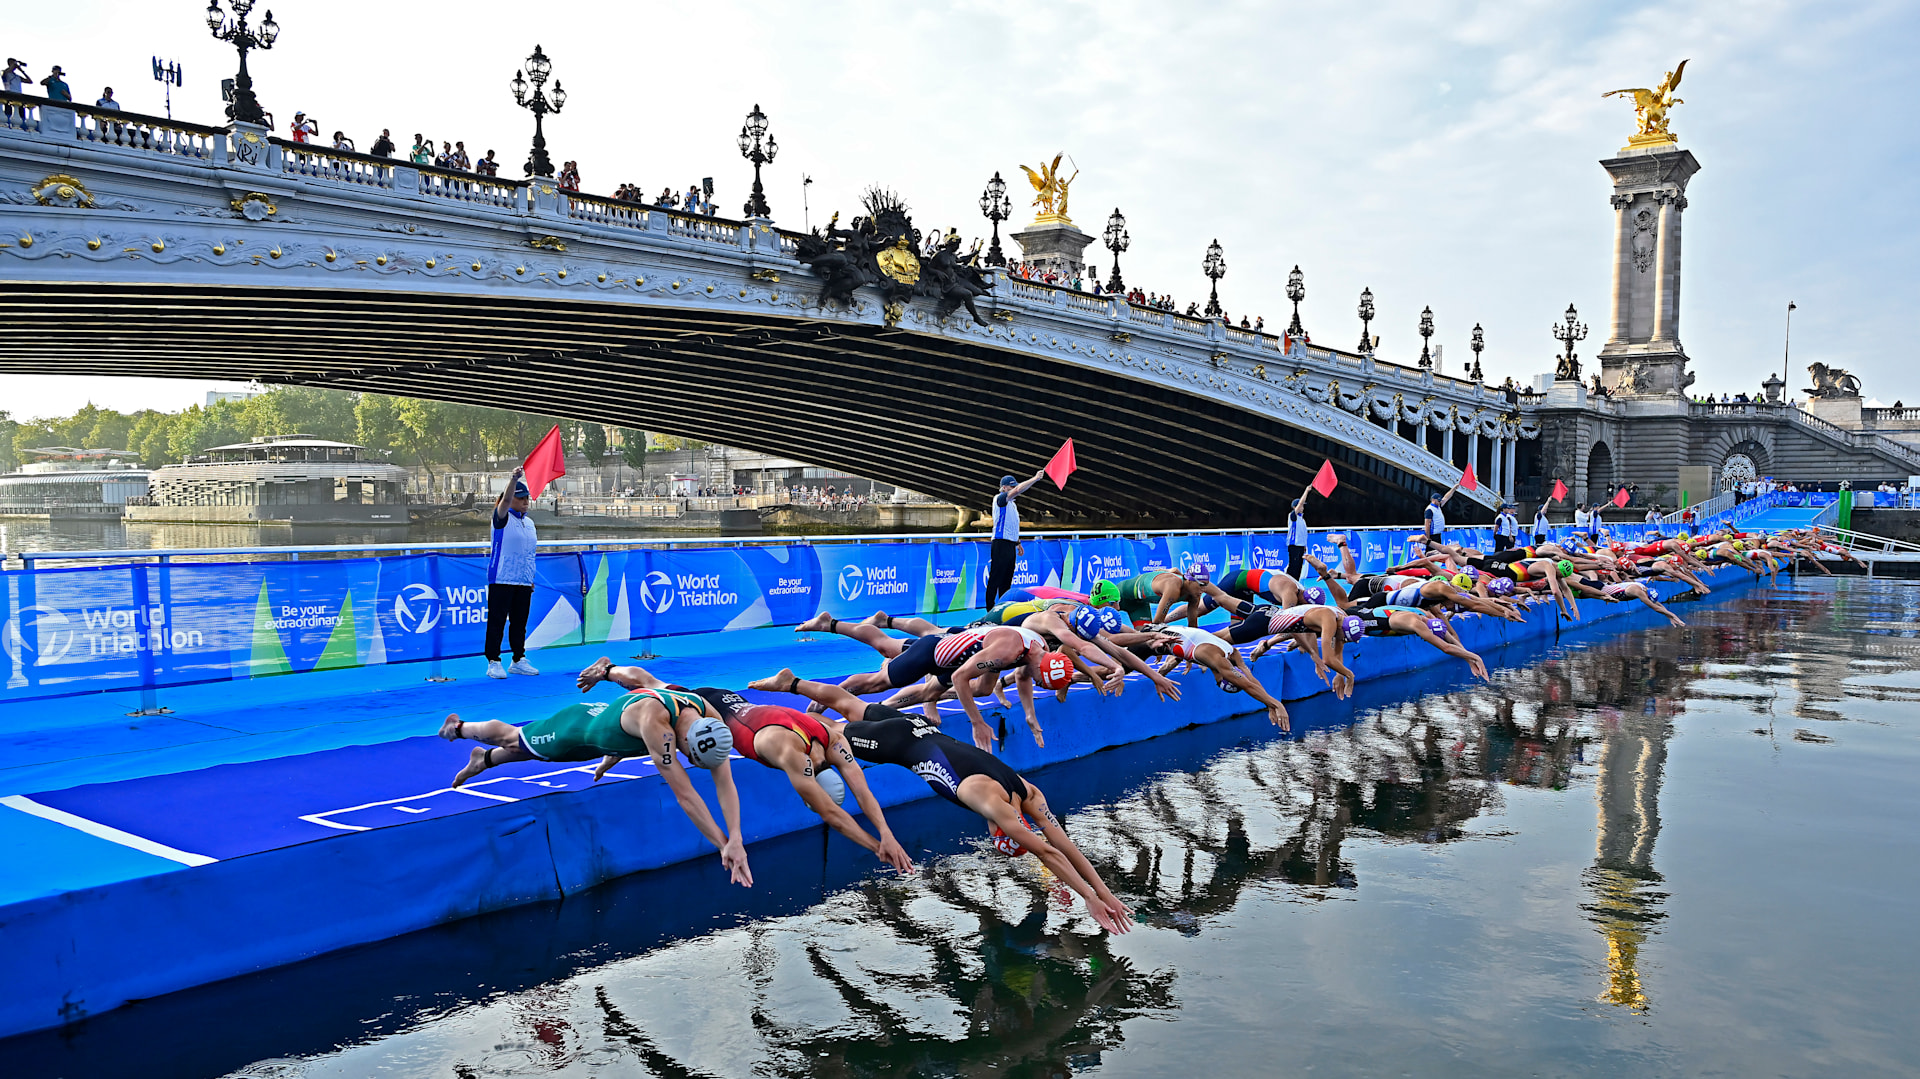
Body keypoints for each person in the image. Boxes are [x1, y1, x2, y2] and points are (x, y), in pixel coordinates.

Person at [748, 669, 1134, 934]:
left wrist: (1105, 894)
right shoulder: (996, 807)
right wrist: (1089, 899)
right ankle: (787, 722)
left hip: (918, 728)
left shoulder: (1027, 792)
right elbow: (1049, 854)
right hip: (898, 745)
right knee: (834, 730)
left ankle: (792, 682)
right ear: (1004, 830)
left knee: (849, 703)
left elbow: (1063, 845)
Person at [575, 660, 914, 874]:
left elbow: (861, 788)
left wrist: (887, 834)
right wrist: (877, 847)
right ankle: (608, 670)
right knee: (653, 691)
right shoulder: (791, 757)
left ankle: (614, 694)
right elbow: (832, 815)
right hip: (708, 713)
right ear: (811, 783)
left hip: (733, 701)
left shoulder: (830, 737)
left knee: (655, 685)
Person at [437, 683, 753, 886]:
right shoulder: (659, 729)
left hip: (611, 735)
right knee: (517, 741)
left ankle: (485, 760)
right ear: (685, 740)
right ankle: (461, 728)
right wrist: (723, 846)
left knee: (540, 754)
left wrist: (736, 837)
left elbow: (724, 779)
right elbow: (687, 796)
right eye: (691, 758)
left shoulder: (707, 716)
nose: (690, 763)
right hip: (576, 727)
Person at [485, 466, 540, 679]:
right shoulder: (502, 518)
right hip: (502, 578)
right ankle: (493, 660)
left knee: (520, 622)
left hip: (523, 581)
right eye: (520, 498)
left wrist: (530, 577)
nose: (525, 501)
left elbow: (529, 553)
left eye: (527, 498)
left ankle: (518, 659)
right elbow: (505, 502)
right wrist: (514, 478)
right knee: (497, 621)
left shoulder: (530, 523)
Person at [986, 469, 1045, 607]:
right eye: (1011, 487)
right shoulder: (1000, 499)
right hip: (1000, 543)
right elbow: (1018, 489)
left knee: (1007, 579)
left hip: (1010, 544)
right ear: (1004, 487)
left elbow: (1011, 524)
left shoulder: (1013, 505)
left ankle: (1003, 607)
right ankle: (989, 608)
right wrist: (1035, 478)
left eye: (1013, 486)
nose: (1013, 489)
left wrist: (1017, 542)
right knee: (996, 577)